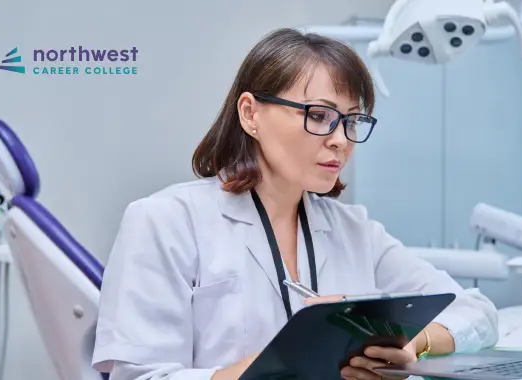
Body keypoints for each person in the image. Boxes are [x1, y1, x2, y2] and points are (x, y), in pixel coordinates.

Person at [91, 28, 498, 380]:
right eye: (319, 115)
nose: (340, 139)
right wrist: (284, 360)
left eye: (352, 121)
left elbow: (478, 313)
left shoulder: (354, 230)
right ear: (251, 113)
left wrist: (413, 344)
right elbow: (141, 374)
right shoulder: (166, 221)